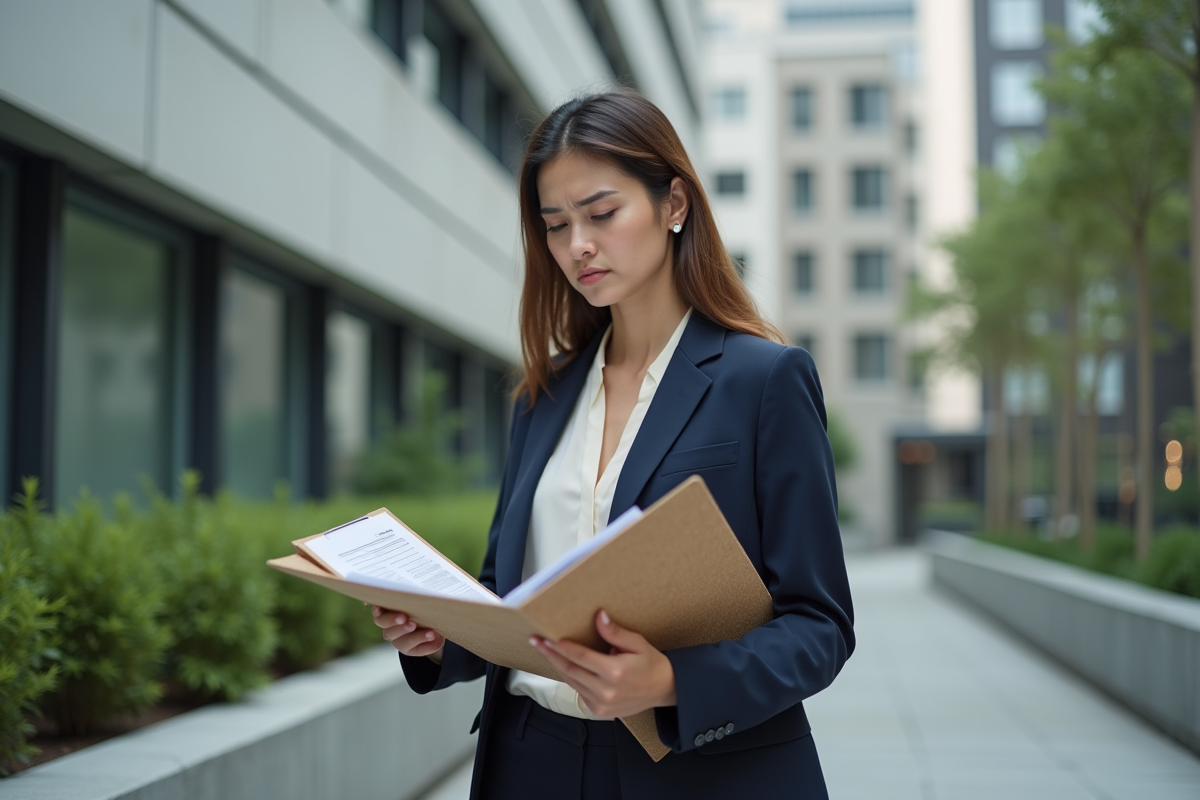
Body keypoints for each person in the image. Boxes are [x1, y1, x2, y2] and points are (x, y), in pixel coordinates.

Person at [372, 88, 854, 800]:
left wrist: (671, 681)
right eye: (556, 224)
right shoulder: (545, 394)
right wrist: (445, 634)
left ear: (675, 205)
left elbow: (819, 626)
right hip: (531, 759)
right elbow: (513, 595)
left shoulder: (765, 380)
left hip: (699, 772)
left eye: (601, 214)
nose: (577, 246)